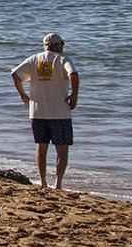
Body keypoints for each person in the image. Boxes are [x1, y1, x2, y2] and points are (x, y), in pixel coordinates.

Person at [12, 34, 81, 190]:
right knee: (62, 149)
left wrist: (23, 95)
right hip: (59, 112)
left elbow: (15, 75)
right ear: (57, 45)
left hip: (37, 111)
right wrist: (74, 95)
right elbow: (73, 74)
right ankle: (57, 184)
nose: (63, 47)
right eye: (62, 44)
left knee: (41, 147)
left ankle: (42, 182)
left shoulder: (34, 59)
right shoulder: (63, 59)